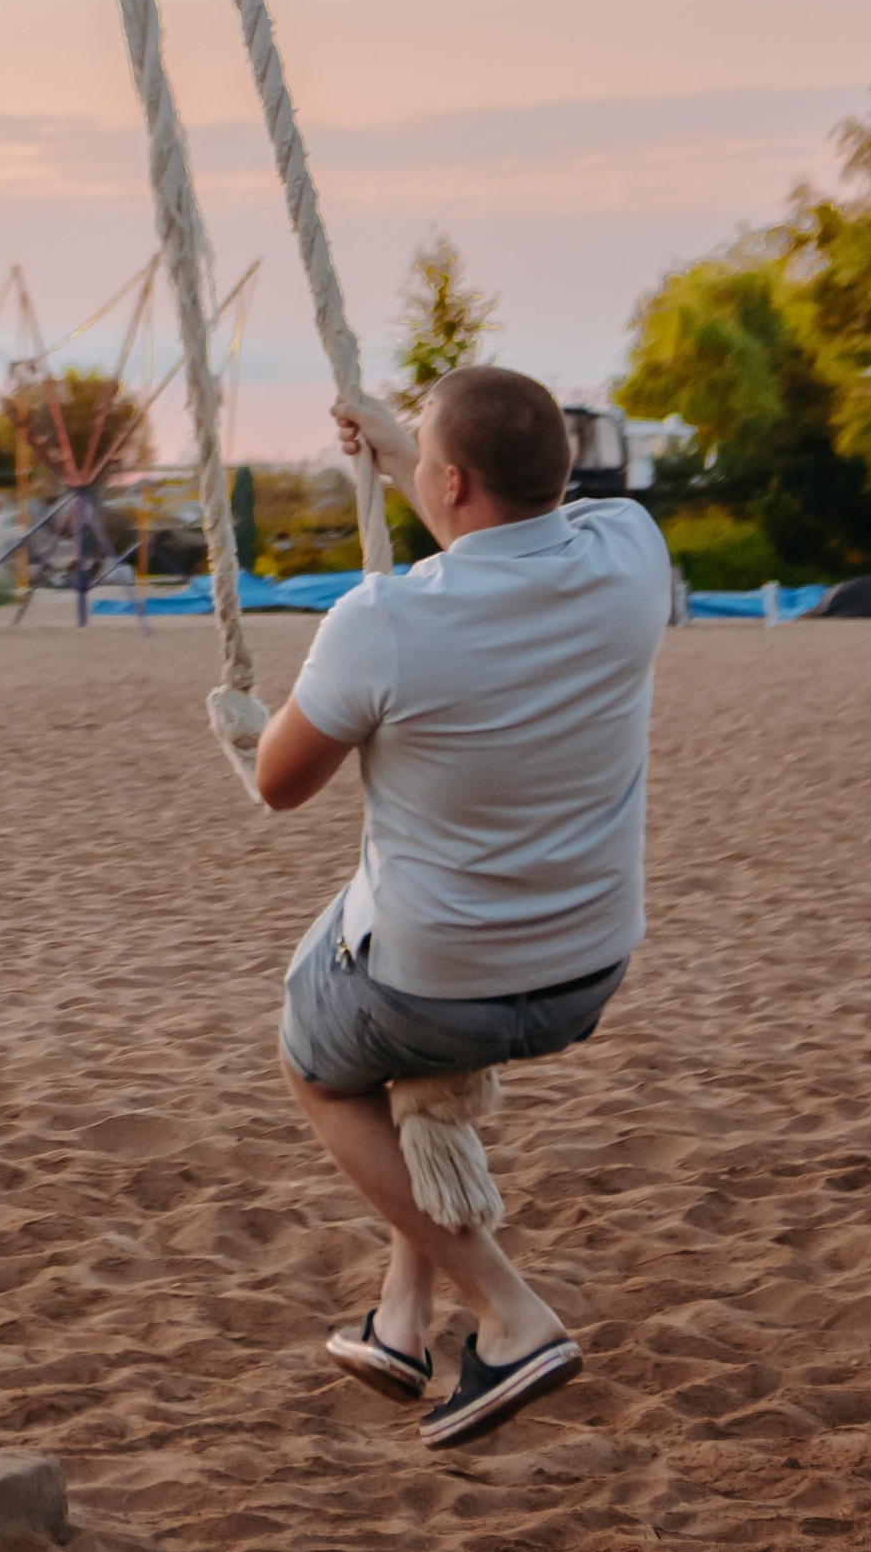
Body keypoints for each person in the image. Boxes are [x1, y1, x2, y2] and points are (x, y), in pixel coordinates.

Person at [252, 363, 670, 1447]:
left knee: (317, 1060)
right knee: (412, 1031)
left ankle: (508, 1311)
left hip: (438, 986)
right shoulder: (631, 552)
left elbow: (278, 783)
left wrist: (251, 719)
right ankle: (400, 1320)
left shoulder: (379, 619)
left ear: (449, 481)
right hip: (585, 971)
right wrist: (401, 448)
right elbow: (493, 531)